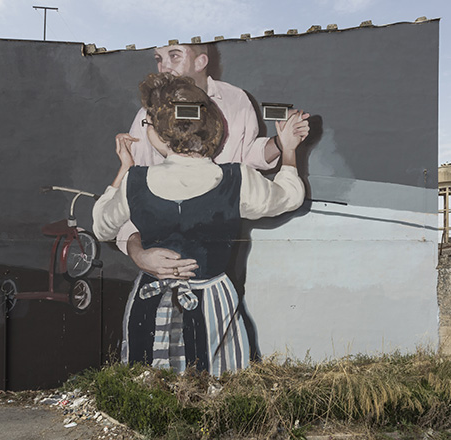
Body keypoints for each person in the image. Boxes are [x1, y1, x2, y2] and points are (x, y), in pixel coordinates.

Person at [93, 73, 307, 375]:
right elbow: (290, 196)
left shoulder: (135, 181)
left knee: (148, 390)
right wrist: (288, 149)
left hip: (149, 302)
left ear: (161, 135)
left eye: (149, 124)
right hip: (212, 303)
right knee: (215, 385)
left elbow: (102, 226)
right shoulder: (237, 178)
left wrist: (124, 170)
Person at [116, 43, 310, 279]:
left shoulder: (236, 99)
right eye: (158, 58)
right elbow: (128, 194)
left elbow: (248, 154)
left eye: (174, 56)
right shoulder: (148, 115)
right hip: (159, 269)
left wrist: (281, 143)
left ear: (201, 61)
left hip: (217, 261)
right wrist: (137, 253)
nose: (163, 66)